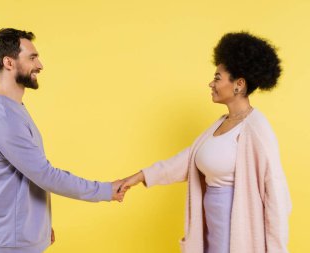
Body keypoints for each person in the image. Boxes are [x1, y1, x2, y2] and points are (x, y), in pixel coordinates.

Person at [121, 32, 292, 253]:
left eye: (218, 78)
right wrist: (137, 177)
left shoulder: (256, 128)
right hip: (214, 226)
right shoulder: (222, 123)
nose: (211, 83)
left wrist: (277, 249)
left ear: (239, 84)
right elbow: (188, 159)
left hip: (237, 231)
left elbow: (276, 194)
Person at [0, 28, 126, 253]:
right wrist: (105, 190)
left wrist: (40, 227)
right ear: (9, 62)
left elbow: (26, 176)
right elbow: (45, 175)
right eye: (32, 57)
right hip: (11, 242)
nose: (40, 65)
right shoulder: (4, 118)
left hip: (19, 237)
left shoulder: (13, 110)